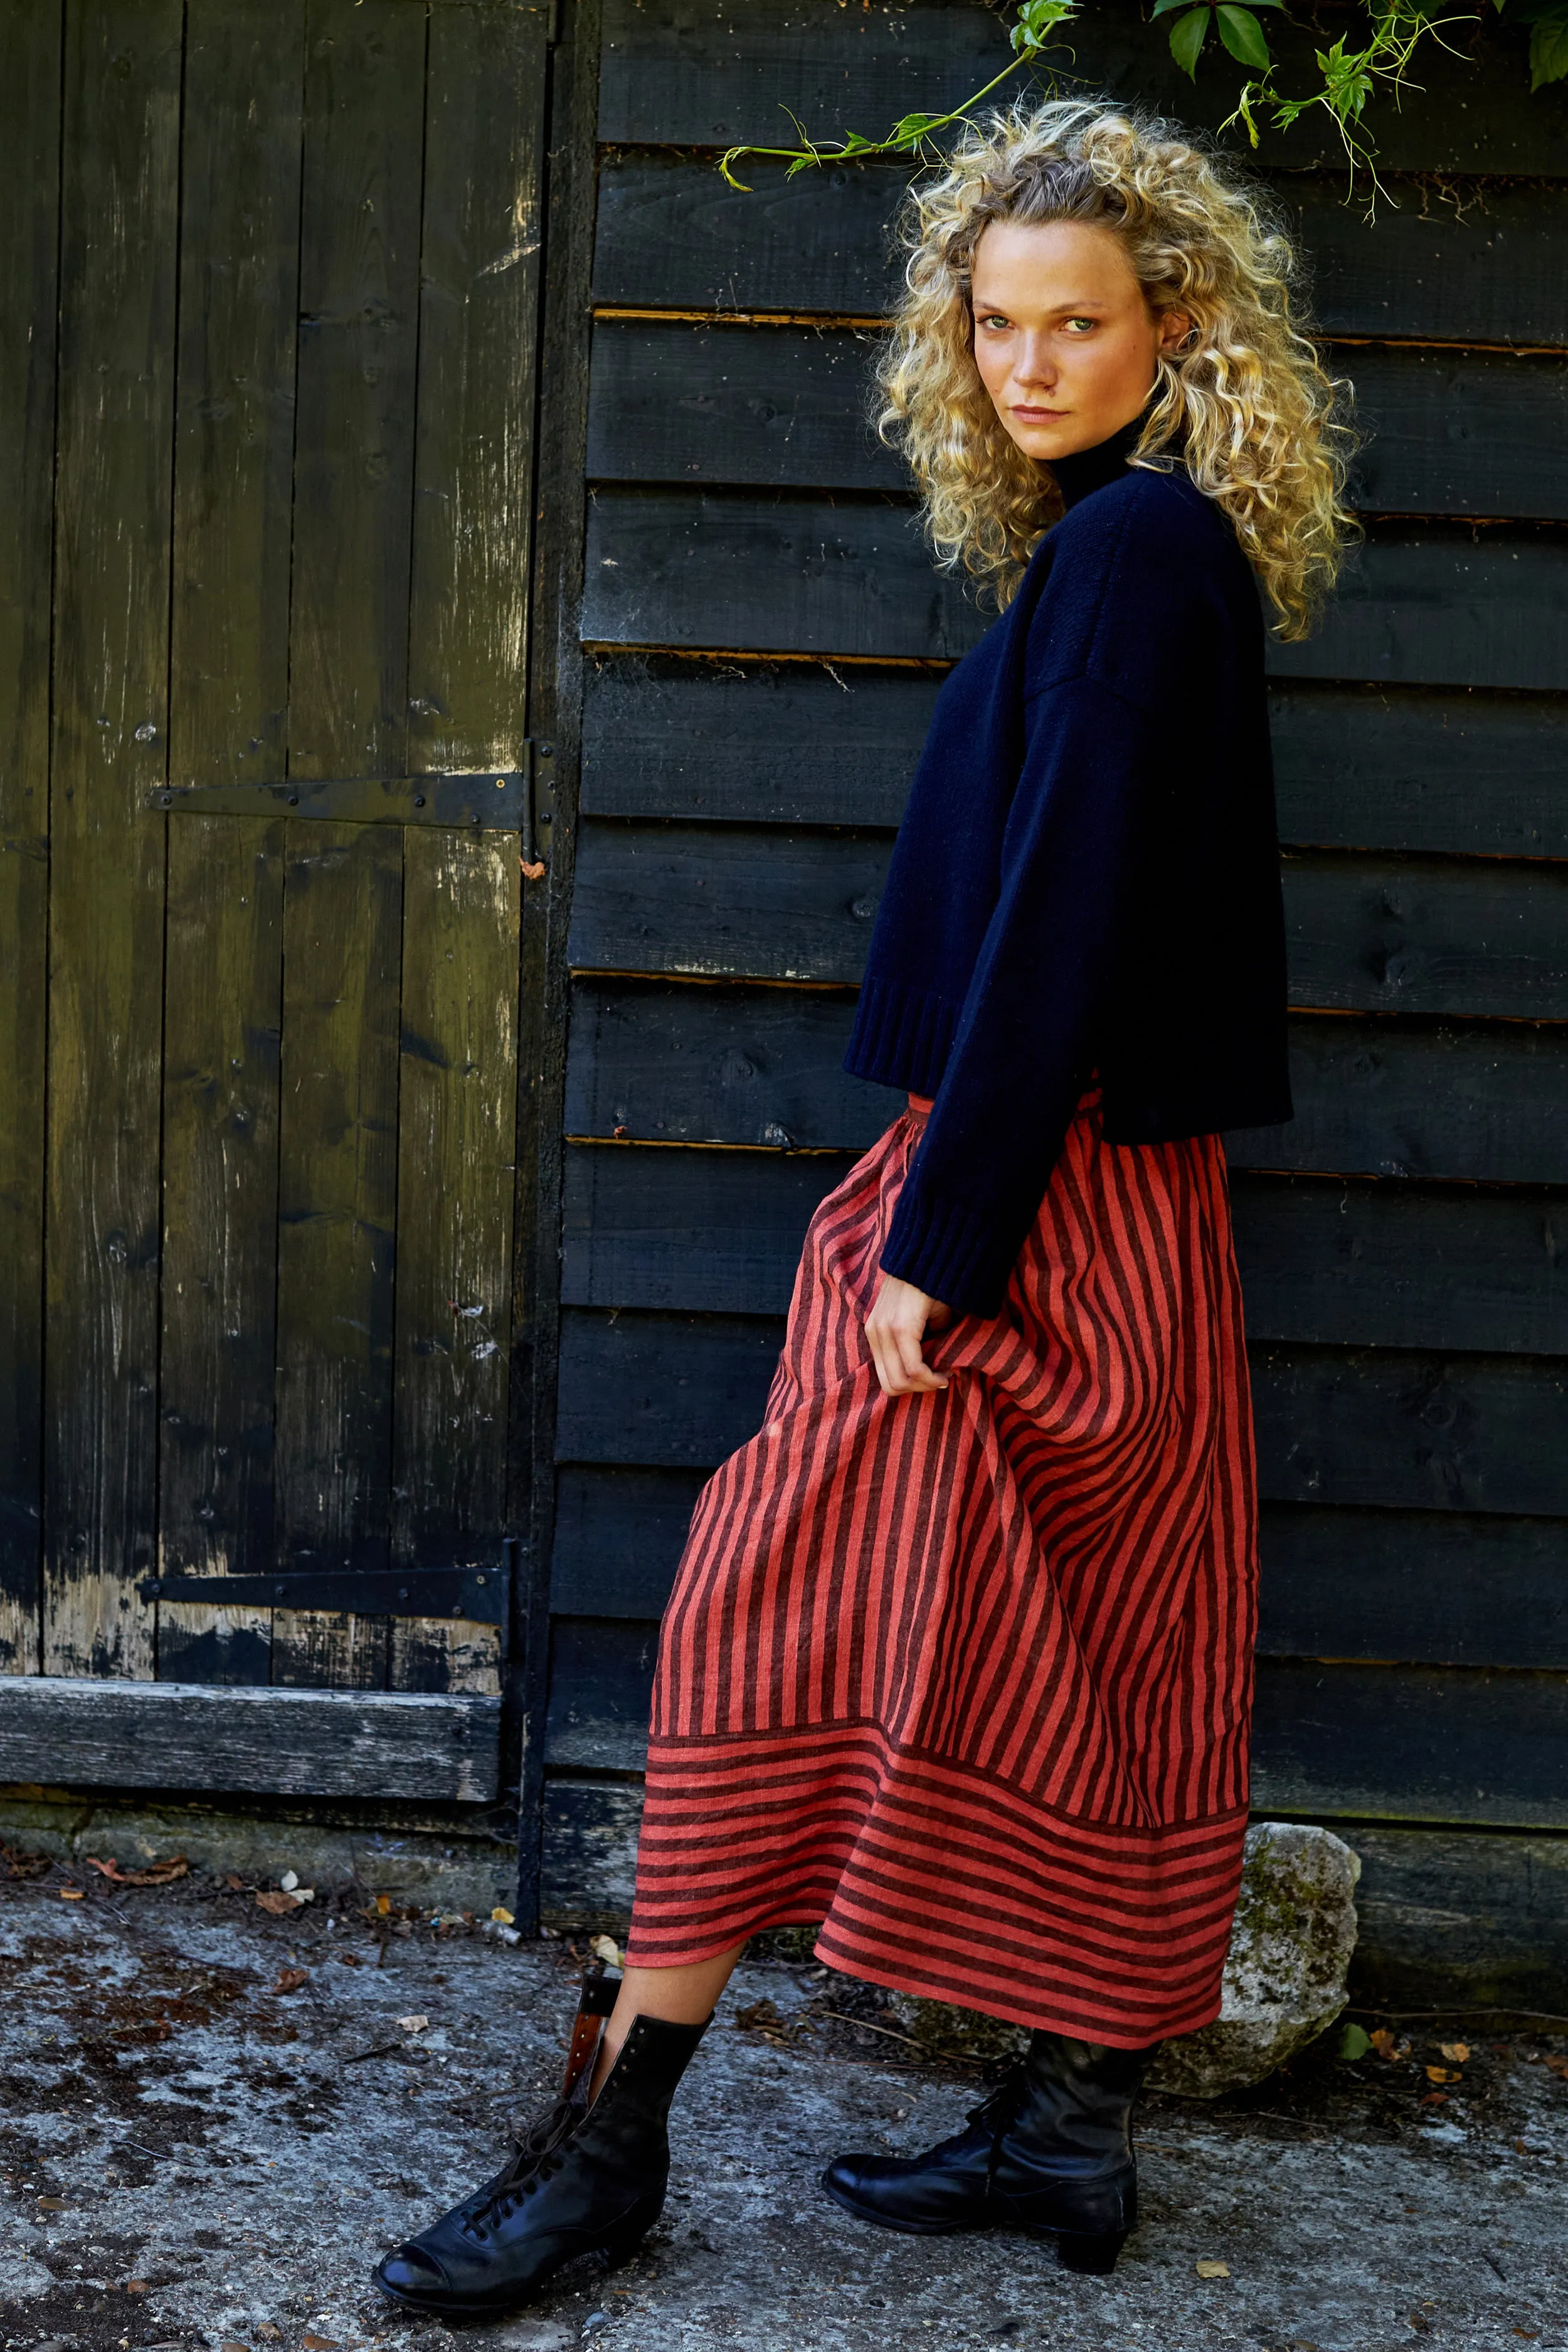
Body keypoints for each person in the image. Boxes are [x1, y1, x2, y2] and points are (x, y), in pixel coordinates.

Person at [373, 95, 1352, 2320]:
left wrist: (944, 1232)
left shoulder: (1126, 556)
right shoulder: (1136, 541)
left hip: (1035, 1192)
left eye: (1073, 322)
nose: (1024, 365)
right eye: (993, 322)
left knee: (753, 1620)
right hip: (1115, 1195)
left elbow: (1063, 917)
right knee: (1095, 1639)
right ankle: (1069, 2125)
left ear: (1170, 320)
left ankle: (609, 2150)